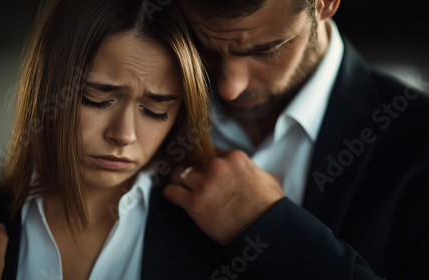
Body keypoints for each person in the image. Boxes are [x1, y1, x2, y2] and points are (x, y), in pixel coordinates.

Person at [0, 0, 215, 279]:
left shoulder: (211, 239)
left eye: (155, 110)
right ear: (46, 90)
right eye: (96, 100)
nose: (123, 135)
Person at [147, 0, 429, 279]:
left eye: (266, 50)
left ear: (325, 5)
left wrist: (265, 224)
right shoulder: (144, 105)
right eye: (204, 44)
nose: (230, 88)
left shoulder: (418, 139)